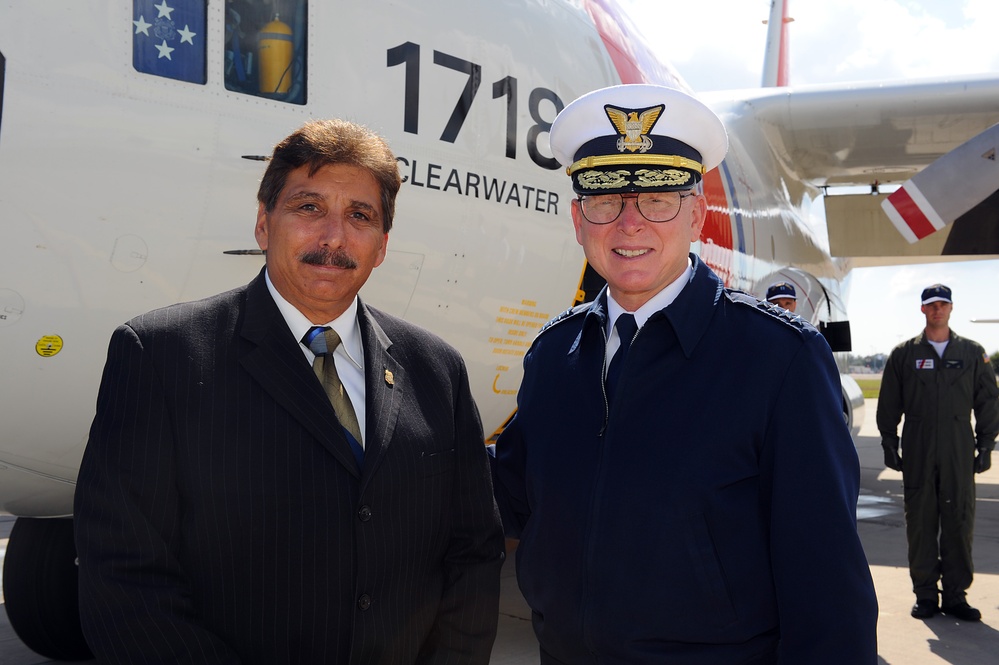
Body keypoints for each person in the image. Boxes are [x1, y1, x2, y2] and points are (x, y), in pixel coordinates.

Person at [74, 118, 505, 664]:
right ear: (263, 223)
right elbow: (123, 576)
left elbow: (472, 552)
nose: (333, 237)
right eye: (308, 207)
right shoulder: (161, 357)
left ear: (381, 246)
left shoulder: (437, 370)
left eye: (360, 216)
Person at [492, 84, 878, 664]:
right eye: (604, 201)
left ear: (697, 213)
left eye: (658, 200)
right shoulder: (554, 354)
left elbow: (826, 587)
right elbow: (519, 498)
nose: (630, 224)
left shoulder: (779, 360)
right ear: (578, 219)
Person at [877, 283, 999, 622]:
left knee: (959, 521)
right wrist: (889, 441)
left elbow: (988, 400)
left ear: (951, 308)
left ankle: (956, 596)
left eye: (942, 304)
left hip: (959, 446)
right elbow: (889, 402)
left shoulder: (972, 352)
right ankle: (926, 595)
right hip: (917, 446)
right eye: (931, 305)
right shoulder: (904, 354)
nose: (937, 310)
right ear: (922, 310)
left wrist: (986, 443)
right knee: (920, 522)